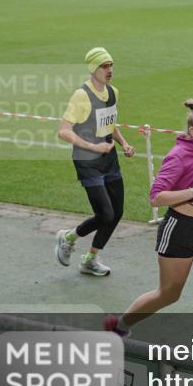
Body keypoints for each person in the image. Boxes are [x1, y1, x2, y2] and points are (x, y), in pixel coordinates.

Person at [103, 100, 193, 354]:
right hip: (178, 230)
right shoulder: (177, 156)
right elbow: (156, 197)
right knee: (168, 294)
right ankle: (118, 325)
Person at [54, 47, 135, 276]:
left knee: (116, 211)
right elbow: (63, 131)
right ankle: (69, 238)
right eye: (104, 66)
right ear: (93, 68)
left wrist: (124, 143)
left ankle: (90, 258)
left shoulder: (113, 92)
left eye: (111, 65)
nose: (109, 70)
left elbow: (109, 123)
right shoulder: (81, 96)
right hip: (87, 159)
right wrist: (93, 147)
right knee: (105, 214)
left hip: (109, 158)